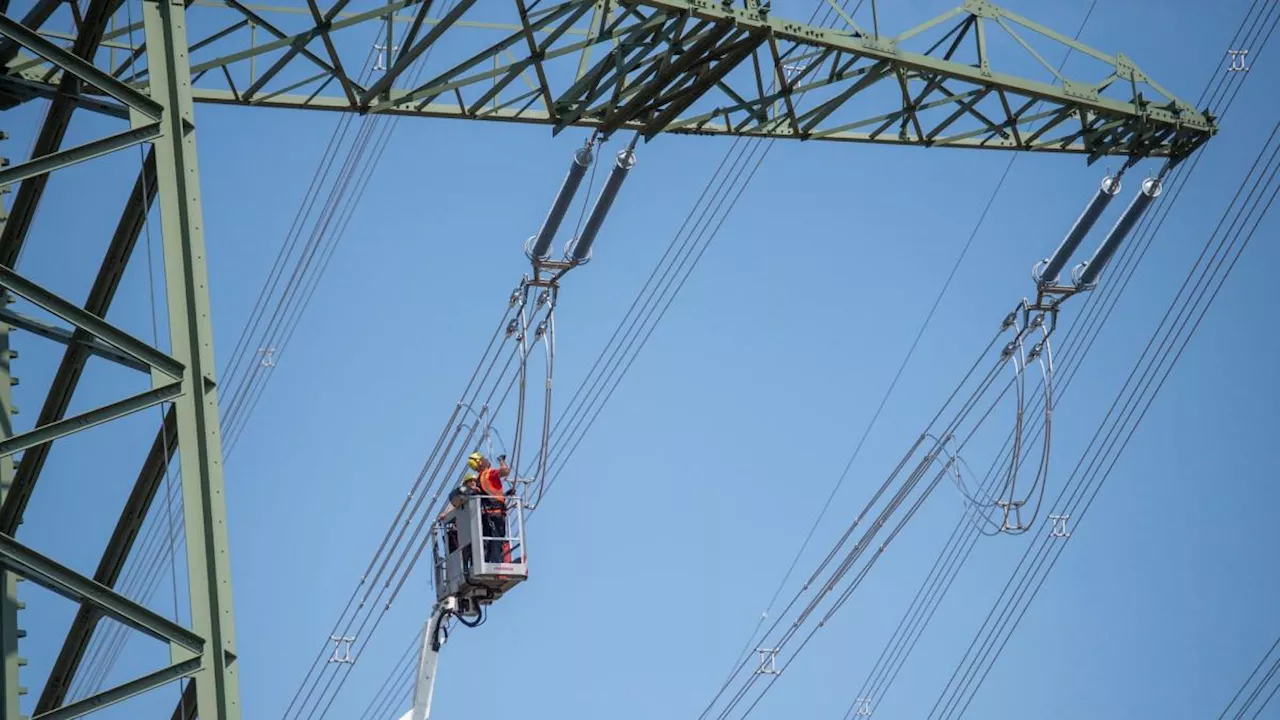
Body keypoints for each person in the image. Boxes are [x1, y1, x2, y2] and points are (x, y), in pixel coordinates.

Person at [471, 452, 513, 563]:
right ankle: (496, 564)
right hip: (496, 513)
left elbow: (490, 494)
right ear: (480, 463)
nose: (486, 459)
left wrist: (506, 495)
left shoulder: (479, 479)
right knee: (497, 539)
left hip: (487, 514)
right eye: (483, 458)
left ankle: (489, 562)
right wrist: (502, 461)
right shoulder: (488, 474)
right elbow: (505, 471)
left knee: (489, 540)